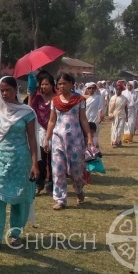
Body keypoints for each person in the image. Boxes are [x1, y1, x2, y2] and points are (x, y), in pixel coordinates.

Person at [0, 76, 38, 250]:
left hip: (21, 161)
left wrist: (34, 163)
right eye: (2, 90)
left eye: (8, 90)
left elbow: (32, 139)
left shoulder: (27, 112)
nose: (5, 93)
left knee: (20, 201)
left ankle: (15, 234)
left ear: (16, 90)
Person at [44, 73, 93, 210]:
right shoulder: (55, 101)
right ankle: (60, 200)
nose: (62, 86)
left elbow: (83, 119)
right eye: (59, 84)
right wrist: (47, 139)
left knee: (76, 171)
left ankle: (78, 190)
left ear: (72, 84)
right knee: (58, 170)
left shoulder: (79, 100)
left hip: (75, 140)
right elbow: (52, 120)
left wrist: (89, 137)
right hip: (58, 139)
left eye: (65, 83)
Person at [28, 71, 56, 196]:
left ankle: (52, 184)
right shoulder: (38, 98)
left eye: (47, 84)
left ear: (52, 85)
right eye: (42, 84)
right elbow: (29, 109)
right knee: (41, 160)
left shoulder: (57, 98)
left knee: (53, 160)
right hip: (40, 131)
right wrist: (30, 95)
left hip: (55, 131)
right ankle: (39, 184)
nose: (44, 87)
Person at [108, 82, 129, 147]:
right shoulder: (112, 98)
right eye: (117, 89)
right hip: (114, 116)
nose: (118, 91)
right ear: (115, 90)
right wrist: (110, 114)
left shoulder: (124, 99)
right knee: (114, 129)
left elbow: (126, 108)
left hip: (122, 115)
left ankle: (116, 141)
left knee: (120, 129)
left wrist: (127, 116)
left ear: (121, 90)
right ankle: (116, 141)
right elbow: (110, 108)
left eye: (119, 90)